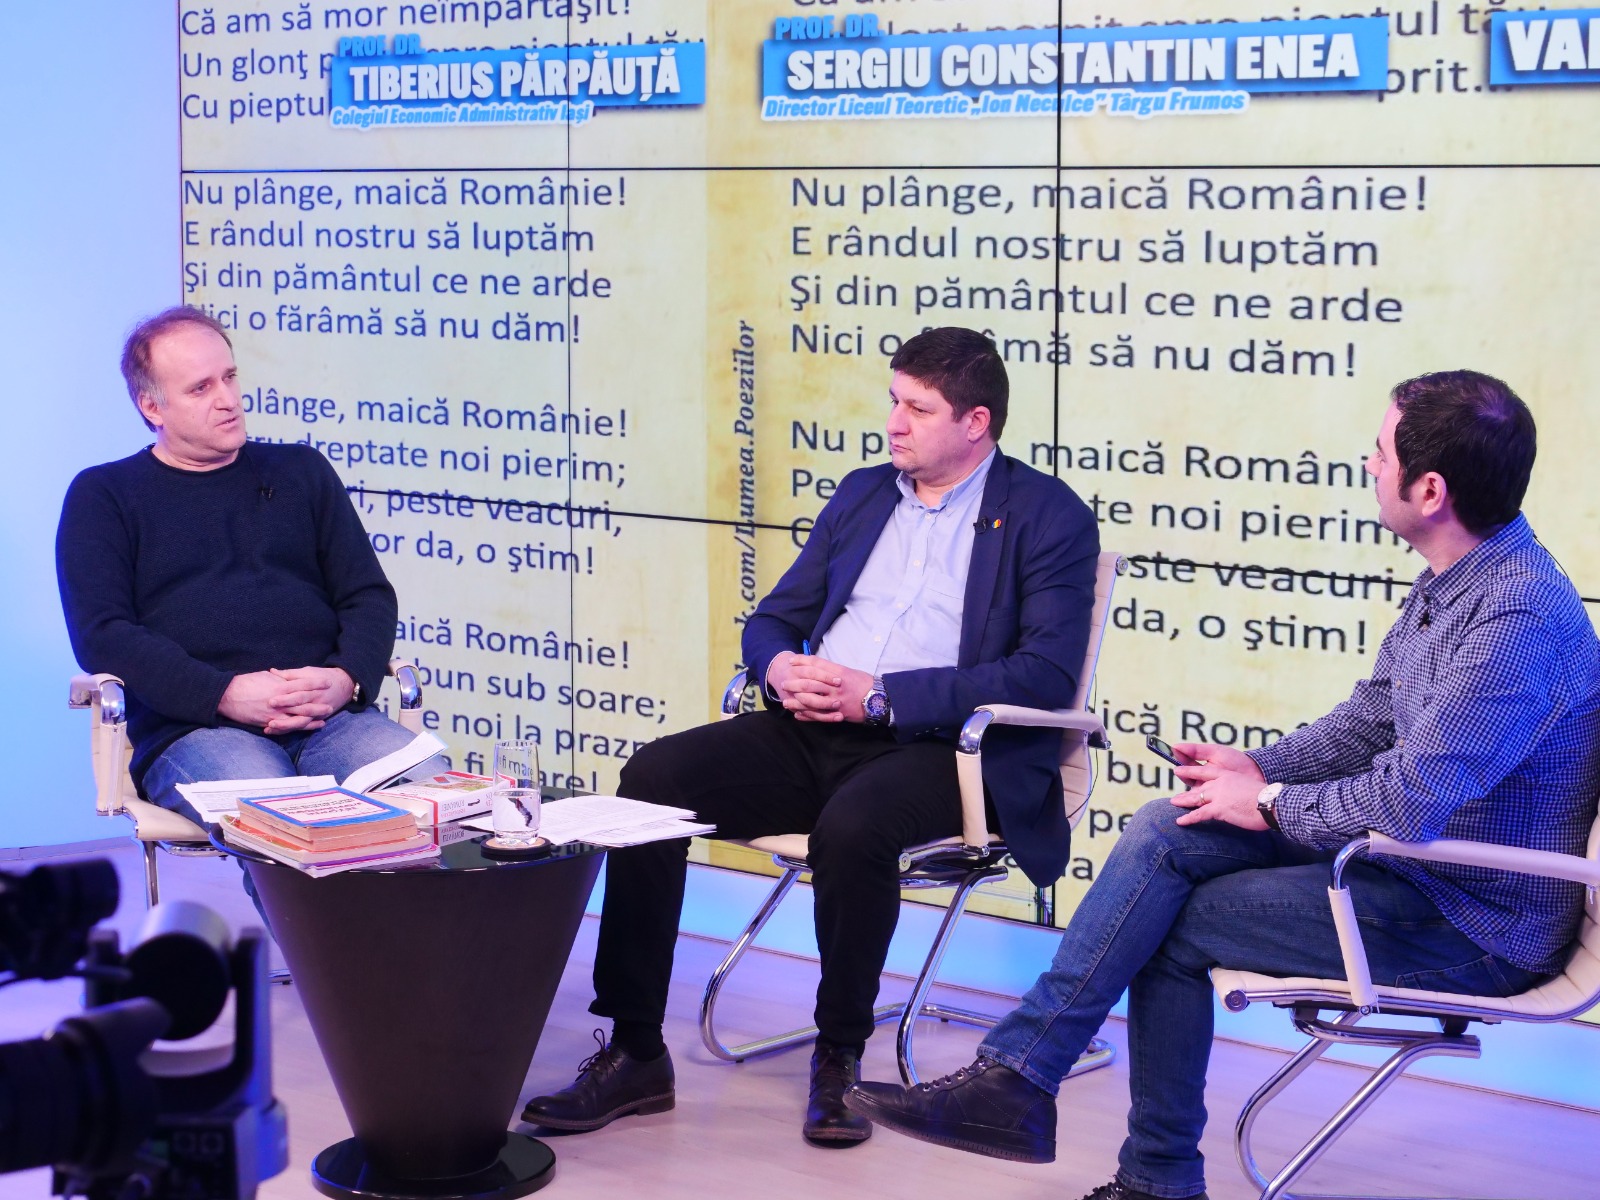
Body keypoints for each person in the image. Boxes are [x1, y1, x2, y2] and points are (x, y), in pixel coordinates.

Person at [844, 369, 1600, 1200]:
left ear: (1429, 491)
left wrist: (1266, 805)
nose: (1368, 465)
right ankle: (1027, 1084)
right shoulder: (1461, 579)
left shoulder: (1518, 619)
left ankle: (1122, 1155)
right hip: (1411, 873)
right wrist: (1260, 770)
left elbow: (1405, 802)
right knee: (1169, 827)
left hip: (1472, 920)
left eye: (1381, 454)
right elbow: (1371, 719)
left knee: (1169, 922)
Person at [522, 327, 1101, 1146]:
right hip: (813, 730)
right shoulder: (865, 494)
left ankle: (838, 1057)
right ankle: (635, 1051)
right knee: (653, 779)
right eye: (893, 401)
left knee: (856, 825)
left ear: (976, 423)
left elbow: (1041, 674)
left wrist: (884, 698)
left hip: (940, 750)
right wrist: (779, 666)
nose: (894, 423)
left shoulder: (1048, 514)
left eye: (917, 409)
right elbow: (775, 618)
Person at [56, 306, 429, 838]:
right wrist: (223, 693)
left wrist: (346, 678)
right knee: (282, 828)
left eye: (229, 377)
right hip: (199, 729)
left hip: (331, 718)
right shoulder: (104, 495)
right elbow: (103, 635)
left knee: (431, 802)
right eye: (201, 388)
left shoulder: (301, 470)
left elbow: (367, 594)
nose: (228, 399)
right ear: (152, 406)